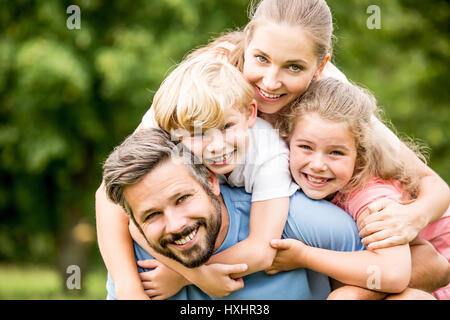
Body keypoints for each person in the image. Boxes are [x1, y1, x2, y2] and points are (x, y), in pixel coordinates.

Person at [95, 0, 450, 299]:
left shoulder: (331, 102)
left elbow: (433, 190)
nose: (270, 82)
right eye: (261, 59)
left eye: (294, 67)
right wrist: (131, 288)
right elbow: (117, 190)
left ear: (319, 67)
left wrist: (412, 217)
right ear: (246, 43)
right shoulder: (204, 90)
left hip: (406, 237)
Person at [102, 127, 369, 299]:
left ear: (211, 180)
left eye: (182, 199)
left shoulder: (294, 219)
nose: (175, 225)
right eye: (152, 215)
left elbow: (389, 275)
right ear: (133, 221)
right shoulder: (137, 265)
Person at [126, 52, 299, 297]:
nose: (217, 146)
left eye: (227, 127)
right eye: (199, 133)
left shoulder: (269, 155)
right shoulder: (176, 150)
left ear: (250, 113)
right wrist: (197, 275)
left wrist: (182, 276)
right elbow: (134, 226)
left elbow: (261, 251)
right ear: (176, 136)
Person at [265, 78, 450, 299]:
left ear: (360, 157)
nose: (317, 165)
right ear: (287, 141)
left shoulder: (372, 197)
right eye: (305, 147)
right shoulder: (282, 168)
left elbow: (393, 274)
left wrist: (304, 256)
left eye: (336, 153)